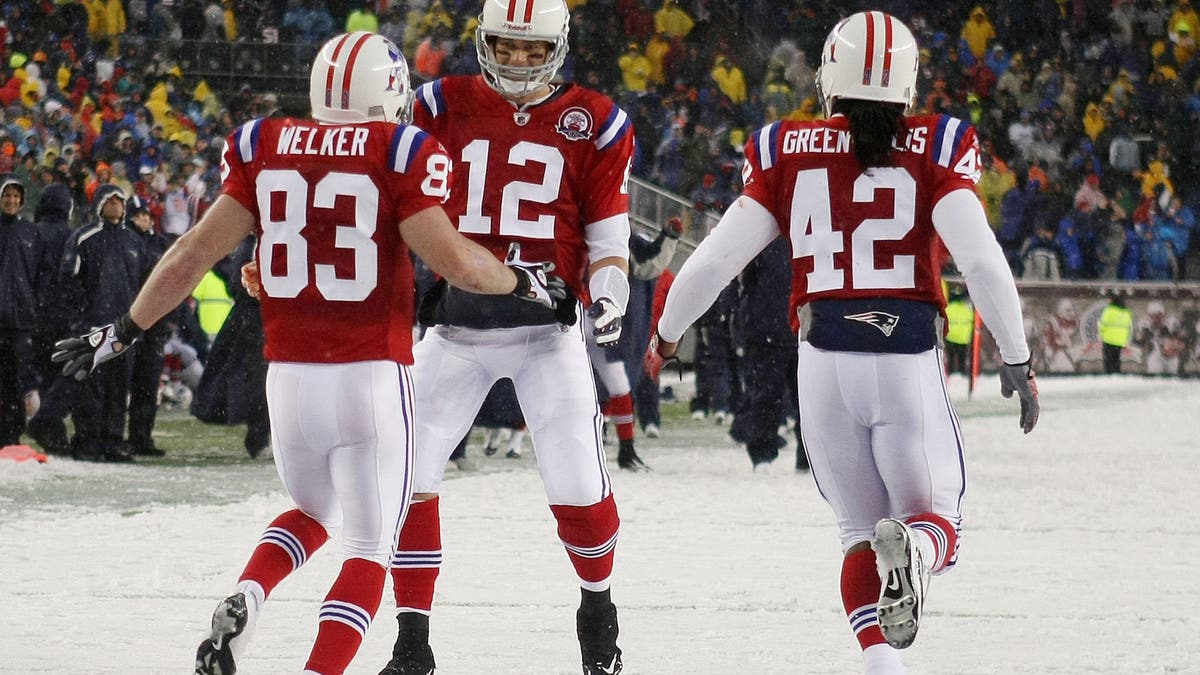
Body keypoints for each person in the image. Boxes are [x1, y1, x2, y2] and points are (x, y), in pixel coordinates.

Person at [49, 32, 564, 675]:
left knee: (312, 510)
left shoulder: (264, 144)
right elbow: (457, 262)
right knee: (369, 547)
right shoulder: (399, 149)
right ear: (391, 93)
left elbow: (190, 255)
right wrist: (527, 281)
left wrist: (123, 328)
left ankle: (251, 591)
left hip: (288, 379)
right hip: (370, 376)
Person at [644, 12, 1040, 674]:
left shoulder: (785, 147)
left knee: (858, 533)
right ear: (907, 83)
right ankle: (914, 552)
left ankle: (884, 667)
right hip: (903, 350)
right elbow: (982, 260)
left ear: (830, 76)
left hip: (821, 359)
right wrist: (1016, 354)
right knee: (935, 522)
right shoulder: (936, 144)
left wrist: (663, 336)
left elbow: (712, 262)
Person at [379, 2, 635, 673]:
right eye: (505, 46)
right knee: (407, 478)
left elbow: (609, 238)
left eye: (532, 49)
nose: (518, 60)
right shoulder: (435, 103)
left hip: (545, 330)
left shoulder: (598, 121)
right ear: (483, 41)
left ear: (557, 48)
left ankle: (597, 605)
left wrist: (608, 296)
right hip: (455, 323)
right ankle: (411, 638)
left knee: (577, 485)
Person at [60, 183, 151, 462]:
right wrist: (82, 318)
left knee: (118, 387)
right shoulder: (84, 237)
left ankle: (113, 441)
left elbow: (145, 283)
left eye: (119, 201)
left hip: (125, 328)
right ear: (99, 205)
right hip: (93, 328)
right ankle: (88, 441)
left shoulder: (134, 242)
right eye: (110, 201)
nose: (115, 206)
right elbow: (68, 281)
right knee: (90, 388)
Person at [0, 177, 51, 447]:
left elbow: (43, 275)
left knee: (16, 380)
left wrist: (36, 304)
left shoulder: (32, 233)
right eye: (6, 196)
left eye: (15, 196)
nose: (11, 201)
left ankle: (12, 434)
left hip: (21, 320)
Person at [125, 194, 177, 457]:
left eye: (145, 215)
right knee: (124, 382)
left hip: (155, 323)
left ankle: (141, 436)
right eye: (137, 215)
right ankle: (115, 435)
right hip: (132, 320)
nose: (143, 220)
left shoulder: (159, 243)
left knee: (147, 383)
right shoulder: (126, 242)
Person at [1098, 293, 1132, 374]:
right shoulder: (1126, 312)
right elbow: (1128, 326)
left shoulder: (1109, 310)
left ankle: (1109, 374)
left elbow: (1103, 324)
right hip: (1120, 340)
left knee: (1108, 359)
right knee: (1116, 358)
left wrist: (1101, 334)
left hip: (1109, 338)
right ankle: (1117, 372)